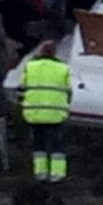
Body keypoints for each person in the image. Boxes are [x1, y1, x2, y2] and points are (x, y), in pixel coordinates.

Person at [19, 39, 72, 182]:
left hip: (34, 113)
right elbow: (68, 90)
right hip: (55, 113)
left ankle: (40, 173)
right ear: (55, 52)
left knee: (38, 144)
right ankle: (57, 174)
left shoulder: (30, 66)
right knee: (57, 145)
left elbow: (22, 85)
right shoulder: (63, 68)